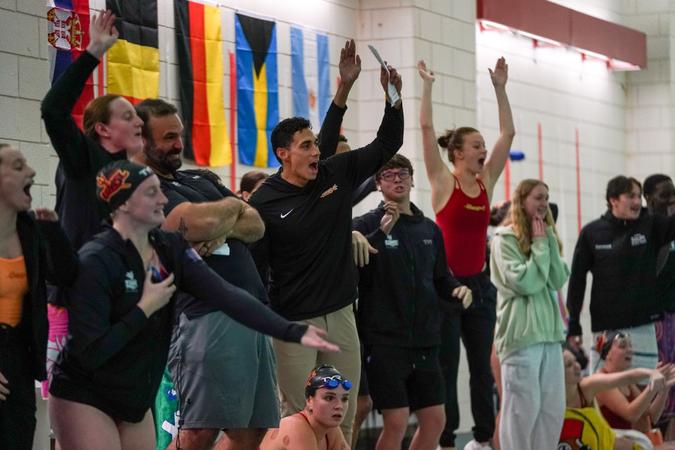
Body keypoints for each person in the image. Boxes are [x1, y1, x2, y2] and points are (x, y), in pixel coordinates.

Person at [48, 160, 339, 450]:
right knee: (198, 430)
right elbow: (90, 348)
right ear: (123, 204)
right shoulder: (96, 258)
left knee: (248, 429)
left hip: (132, 383)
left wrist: (287, 329)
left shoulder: (169, 247)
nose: (163, 200)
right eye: (152, 193)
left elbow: (225, 294)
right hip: (84, 386)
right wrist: (143, 310)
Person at [249, 41, 404, 443]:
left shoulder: (335, 173)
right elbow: (256, 268)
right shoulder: (265, 201)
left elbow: (386, 145)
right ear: (283, 154)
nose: (316, 151)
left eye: (316, 145)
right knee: (298, 418)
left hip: (340, 314)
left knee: (341, 415)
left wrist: (393, 98)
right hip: (293, 321)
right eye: (306, 146)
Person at [132, 98, 280, 450]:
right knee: (200, 429)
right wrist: (232, 209)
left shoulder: (196, 179)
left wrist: (221, 227)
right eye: (168, 138)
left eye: (180, 135)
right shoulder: (144, 186)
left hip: (252, 310)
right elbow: (199, 223)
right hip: (205, 314)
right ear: (141, 140)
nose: (178, 145)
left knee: (252, 429)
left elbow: (257, 224)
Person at [417, 58, 515, 450]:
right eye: (476, 146)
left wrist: (500, 89)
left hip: (480, 286)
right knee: (446, 366)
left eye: (483, 146)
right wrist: (427, 86)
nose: (484, 150)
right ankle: (445, 440)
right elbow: (427, 130)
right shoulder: (444, 182)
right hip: (446, 287)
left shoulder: (486, 181)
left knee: (481, 370)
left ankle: (483, 439)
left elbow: (508, 133)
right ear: (457, 153)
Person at [352, 154, 472, 450]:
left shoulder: (429, 229)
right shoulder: (364, 225)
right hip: (385, 341)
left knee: (435, 420)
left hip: (425, 340)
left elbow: (442, 277)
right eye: (389, 175)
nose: (397, 179)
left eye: (403, 173)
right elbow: (354, 268)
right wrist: (382, 232)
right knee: (397, 421)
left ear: (412, 179)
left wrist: (459, 289)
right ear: (378, 184)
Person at [41, 10, 143, 250]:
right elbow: (53, 109)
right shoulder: (83, 158)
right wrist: (94, 51)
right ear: (103, 129)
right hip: (81, 269)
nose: (139, 122)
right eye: (128, 117)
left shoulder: (130, 171)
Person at [0, 144, 77, 450]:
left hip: (17, 355)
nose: (31, 172)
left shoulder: (29, 230)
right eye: (18, 167)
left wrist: (55, 232)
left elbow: (65, 276)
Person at [489, 179, 569, 450]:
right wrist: (539, 246)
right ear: (522, 201)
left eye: (546, 197)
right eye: (538, 197)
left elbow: (557, 279)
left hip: (550, 335)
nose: (544, 203)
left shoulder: (544, 236)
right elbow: (525, 282)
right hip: (521, 335)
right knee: (521, 410)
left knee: (551, 409)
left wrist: (547, 241)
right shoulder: (504, 239)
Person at [566, 176, 675, 372]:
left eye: (639, 196)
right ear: (613, 200)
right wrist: (574, 323)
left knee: (647, 388)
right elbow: (577, 281)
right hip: (607, 329)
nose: (637, 201)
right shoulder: (592, 233)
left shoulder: (651, 225)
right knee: (605, 388)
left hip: (643, 328)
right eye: (631, 196)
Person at [561, 347, 655, 450]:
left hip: (606, 441)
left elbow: (650, 413)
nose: (577, 366)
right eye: (569, 365)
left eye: (576, 361)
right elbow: (631, 413)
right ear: (608, 355)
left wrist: (653, 377)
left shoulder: (586, 386)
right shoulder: (551, 400)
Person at [594, 331, 675, 448]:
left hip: (625, 442)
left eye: (630, 346)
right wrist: (651, 387)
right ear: (607, 354)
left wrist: (664, 388)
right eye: (623, 346)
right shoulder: (602, 381)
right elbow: (631, 414)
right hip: (610, 444)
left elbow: (651, 415)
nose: (630, 350)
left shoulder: (627, 380)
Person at [644, 174, 675, 440]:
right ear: (648, 198)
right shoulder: (647, 227)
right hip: (657, 316)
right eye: (665, 195)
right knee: (663, 378)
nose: (672, 199)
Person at [259, 365, 351, 450]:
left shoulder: (331, 430)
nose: (339, 406)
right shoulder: (296, 427)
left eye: (344, 399)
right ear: (309, 401)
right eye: (329, 398)